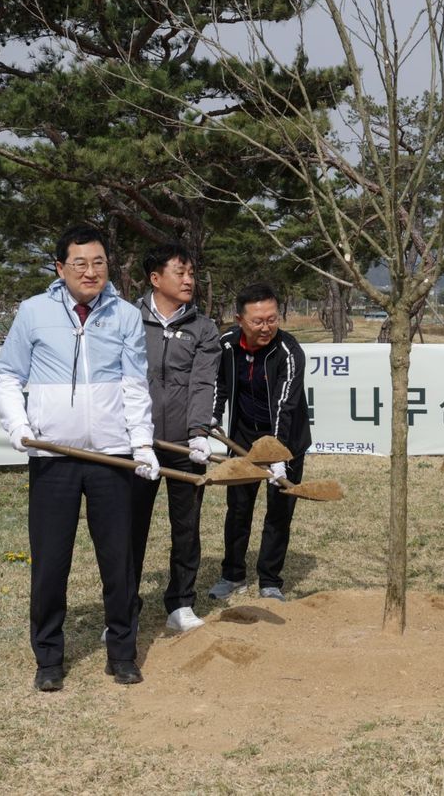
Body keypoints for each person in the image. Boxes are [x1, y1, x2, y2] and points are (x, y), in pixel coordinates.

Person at [0, 224, 161, 692]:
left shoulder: (125, 315)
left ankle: (122, 653)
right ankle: (48, 657)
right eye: (80, 263)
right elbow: (8, 376)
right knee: (51, 562)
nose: (91, 271)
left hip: (112, 456)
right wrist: (19, 426)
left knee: (120, 561)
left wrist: (142, 442)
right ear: (60, 267)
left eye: (99, 262)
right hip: (54, 456)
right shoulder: (33, 313)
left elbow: (134, 386)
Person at [134, 243, 220, 635]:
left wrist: (199, 432)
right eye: (180, 273)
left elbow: (204, 383)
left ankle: (181, 603)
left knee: (186, 526)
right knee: (128, 527)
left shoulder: (202, 328)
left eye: (191, 274)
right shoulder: (129, 321)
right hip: (138, 444)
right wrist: (135, 438)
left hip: (186, 447)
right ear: (155, 278)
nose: (189, 280)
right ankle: (123, 608)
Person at [209, 283, 311, 603]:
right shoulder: (226, 344)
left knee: (279, 509)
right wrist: (210, 418)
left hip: (286, 438)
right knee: (238, 507)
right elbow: (218, 384)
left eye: (272, 319)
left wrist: (277, 452)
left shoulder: (289, 352)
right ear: (239, 319)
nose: (266, 327)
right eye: (257, 321)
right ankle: (233, 575)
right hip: (243, 436)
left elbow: (285, 405)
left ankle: (270, 580)